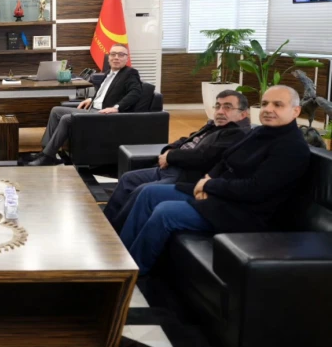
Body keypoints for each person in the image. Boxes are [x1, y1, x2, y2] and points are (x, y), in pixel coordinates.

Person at [120, 85, 310, 274]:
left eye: (278, 105)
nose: (268, 109)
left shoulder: (292, 147)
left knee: (165, 212)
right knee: (149, 193)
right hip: (220, 195)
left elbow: (256, 189)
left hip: (243, 212)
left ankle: (132, 273)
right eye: (265, 103)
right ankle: (120, 258)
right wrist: (208, 179)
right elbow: (226, 158)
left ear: (296, 111)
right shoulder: (259, 132)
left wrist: (210, 185)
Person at [104, 90, 251, 233]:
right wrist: (168, 150)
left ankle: (116, 234)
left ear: (243, 114)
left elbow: (203, 157)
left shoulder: (237, 134)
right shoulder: (214, 125)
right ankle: (105, 225)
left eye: (227, 107)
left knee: (144, 191)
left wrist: (170, 156)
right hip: (170, 168)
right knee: (128, 179)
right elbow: (187, 139)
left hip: (184, 176)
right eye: (217, 106)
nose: (220, 111)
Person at [28, 43, 142, 166]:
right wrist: (91, 99)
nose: (116, 57)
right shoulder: (108, 73)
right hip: (93, 110)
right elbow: (104, 94)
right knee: (56, 110)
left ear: (126, 58)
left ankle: (47, 156)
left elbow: (135, 93)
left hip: (105, 115)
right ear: (109, 57)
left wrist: (116, 108)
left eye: (120, 55)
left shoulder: (130, 73)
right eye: (113, 54)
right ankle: (45, 151)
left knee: (66, 118)